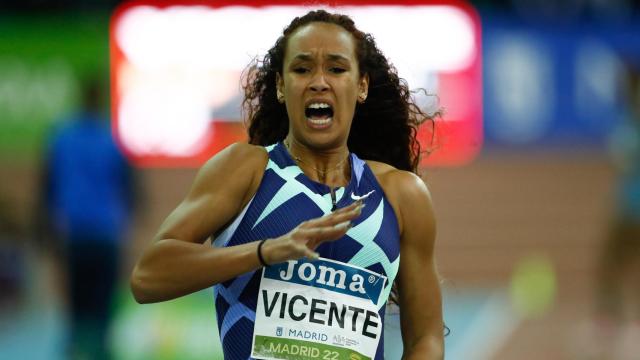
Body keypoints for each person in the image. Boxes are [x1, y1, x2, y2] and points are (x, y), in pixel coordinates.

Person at [131, 10, 444, 359]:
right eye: (302, 68)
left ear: (362, 86)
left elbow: (425, 339)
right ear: (281, 86)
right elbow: (147, 277)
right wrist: (266, 251)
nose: (319, 82)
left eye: (337, 69)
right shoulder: (246, 169)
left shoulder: (401, 195)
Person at [38, 75, 137, 359]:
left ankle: (72, 350)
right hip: (106, 236)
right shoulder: (112, 141)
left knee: (75, 309)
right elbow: (130, 190)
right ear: (100, 102)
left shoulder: (61, 138)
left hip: (73, 235)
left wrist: (47, 233)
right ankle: (102, 350)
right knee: (104, 309)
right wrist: (125, 227)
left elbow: (47, 187)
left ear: (80, 99)